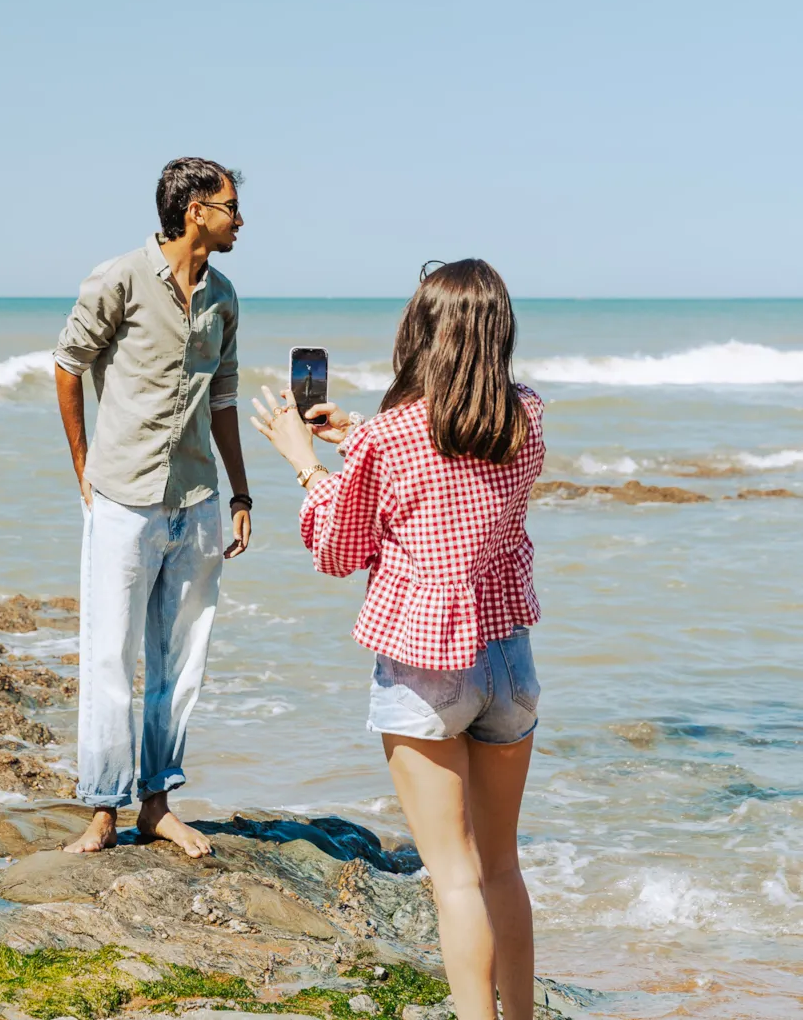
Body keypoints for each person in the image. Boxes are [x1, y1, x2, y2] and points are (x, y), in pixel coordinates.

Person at [251, 260, 545, 1020]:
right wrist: (360, 439)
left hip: (426, 668)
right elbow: (451, 476)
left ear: (424, 332)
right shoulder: (528, 415)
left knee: (453, 876)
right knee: (502, 867)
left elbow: (338, 546)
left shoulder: (392, 435)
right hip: (508, 655)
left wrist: (306, 464)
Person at [54, 156, 252, 857]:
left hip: (195, 500)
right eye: (231, 206)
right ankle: (102, 807)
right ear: (196, 209)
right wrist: (84, 465)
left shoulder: (225, 297)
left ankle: (157, 804)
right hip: (123, 499)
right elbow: (68, 362)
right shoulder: (120, 278)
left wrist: (239, 491)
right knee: (110, 654)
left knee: (180, 659)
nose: (242, 219)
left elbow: (223, 400)